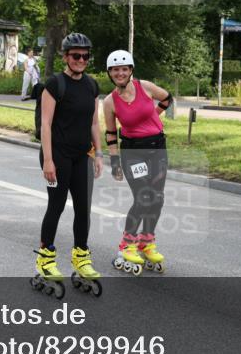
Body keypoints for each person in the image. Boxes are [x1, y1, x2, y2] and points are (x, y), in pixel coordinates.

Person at [33, 33, 104, 296]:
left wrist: (98, 154)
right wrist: (48, 160)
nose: (81, 60)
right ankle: (45, 258)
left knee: (84, 208)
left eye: (85, 56)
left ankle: (81, 257)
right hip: (58, 156)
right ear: (66, 57)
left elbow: (95, 123)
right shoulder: (55, 85)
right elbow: (46, 124)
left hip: (82, 155)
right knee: (57, 205)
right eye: (76, 55)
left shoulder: (92, 86)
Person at [102, 49, 173, 276]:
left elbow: (167, 98)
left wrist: (153, 113)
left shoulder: (146, 87)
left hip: (157, 148)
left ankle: (147, 242)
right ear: (110, 73)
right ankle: (127, 244)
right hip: (133, 152)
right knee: (144, 196)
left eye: (124, 69)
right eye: (115, 70)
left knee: (157, 198)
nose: (120, 73)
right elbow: (111, 134)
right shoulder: (109, 101)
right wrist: (114, 161)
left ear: (131, 70)